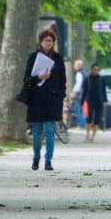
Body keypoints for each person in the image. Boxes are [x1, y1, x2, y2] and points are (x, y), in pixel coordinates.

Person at [24, 29, 66, 171]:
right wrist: (39, 78)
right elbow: (26, 80)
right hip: (36, 99)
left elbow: (63, 80)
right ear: (40, 42)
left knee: (49, 131)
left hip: (53, 100)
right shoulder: (33, 57)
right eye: (45, 41)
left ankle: (48, 160)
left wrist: (61, 96)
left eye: (50, 41)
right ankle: (36, 157)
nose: (48, 43)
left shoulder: (58, 58)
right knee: (37, 133)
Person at [81, 63, 108, 142]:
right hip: (90, 100)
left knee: (97, 118)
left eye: (97, 70)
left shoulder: (101, 79)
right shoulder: (87, 79)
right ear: (91, 70)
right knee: (89, 118)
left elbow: (104, 90)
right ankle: (87, 135)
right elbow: (84, 91)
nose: (96, 71)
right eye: (94, 70)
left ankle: (93, 137)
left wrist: (105, 100)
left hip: (99, 100)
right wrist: (82, 102)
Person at [69, 59, 87, 129]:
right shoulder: (84, 73)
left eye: (75, 65)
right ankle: (83, 124)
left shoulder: (79, 73)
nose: (74, 66)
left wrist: (73, 93)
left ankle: (82, 125)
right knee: (80, 110)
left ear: (79, 66)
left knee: (77, 109)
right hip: (83, 94)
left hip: (79, 95)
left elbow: (78, 84)